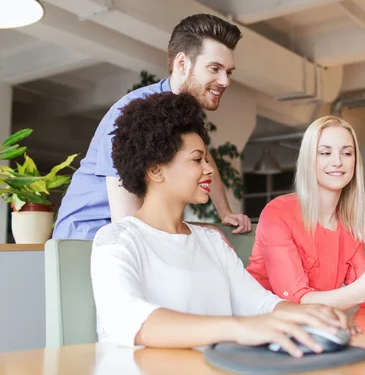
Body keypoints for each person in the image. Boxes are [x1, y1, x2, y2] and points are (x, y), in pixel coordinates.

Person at [90, 92, 354, 356]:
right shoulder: (116, 240)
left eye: (207, 159)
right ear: (156, 170)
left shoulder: (211, 241)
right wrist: (239, 328)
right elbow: (132, 320)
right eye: (197, 160)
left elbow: (259, 303)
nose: (209, 170)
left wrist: (311, 314)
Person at [53, 14, 251, 240]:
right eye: (214, 68)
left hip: (127, 235)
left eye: (229, 72)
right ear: (182, 64)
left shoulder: (183, 113)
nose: (225, 81)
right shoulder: (133, 113)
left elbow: (205, 159)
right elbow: (125, 224)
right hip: (87, 236)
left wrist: (225, 212)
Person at [246, 116, 365, 309]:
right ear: (309, 160)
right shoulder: (278, 213)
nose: (337, 162)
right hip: (261, 327)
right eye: (325, 153)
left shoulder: (349, 225)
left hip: (314, 328)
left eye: (347, 153)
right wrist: (361, 291)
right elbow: (294, 302)